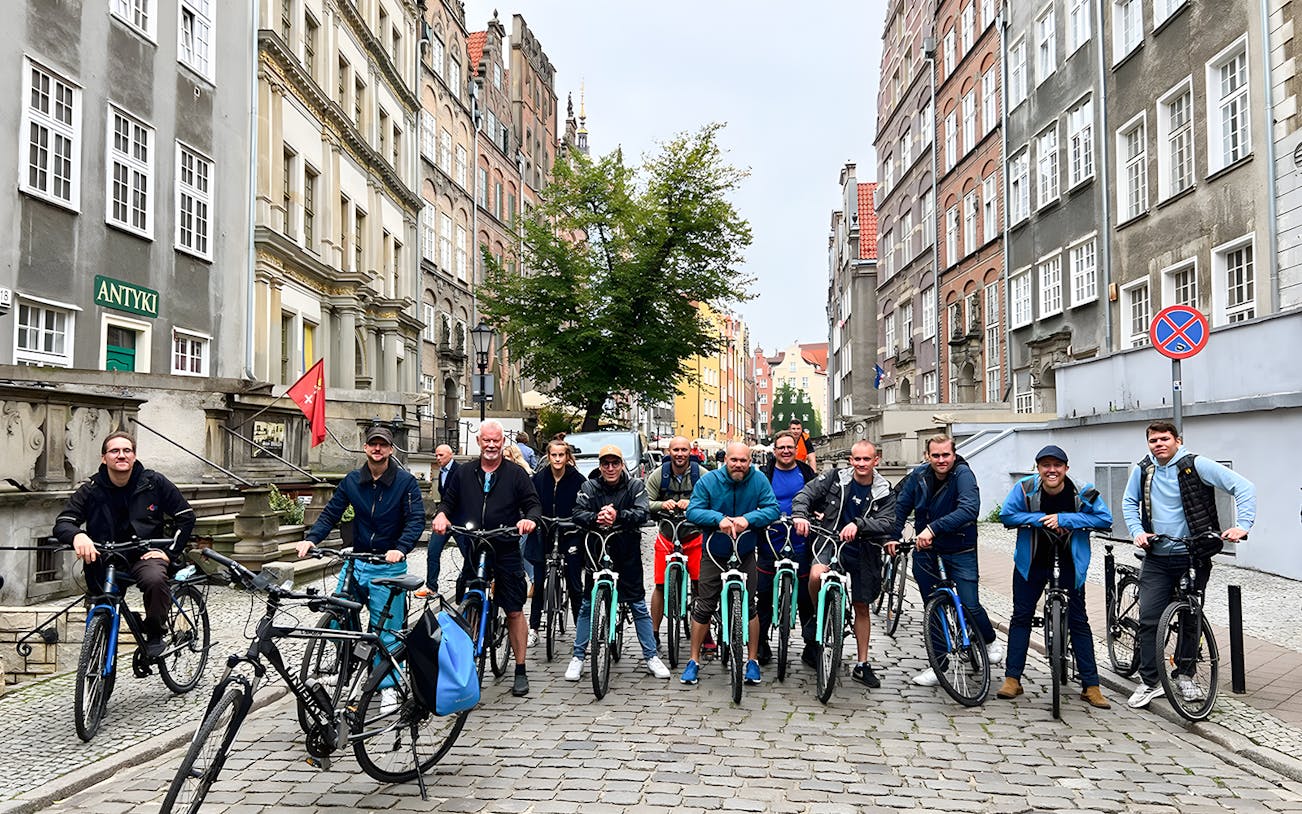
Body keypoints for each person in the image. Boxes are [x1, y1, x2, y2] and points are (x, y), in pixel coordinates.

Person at [1121, 421, 1255, 709]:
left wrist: (1242, 525)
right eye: (1153, 440)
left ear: (1177, 440)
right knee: (1149, 619)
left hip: (1193, 555)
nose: (1159, 444)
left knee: (1190, 618)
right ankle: (1149, 681)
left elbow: (1243, 487)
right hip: (1157, 554)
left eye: (1164, 439)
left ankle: (1185, 675)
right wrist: (1137, 532)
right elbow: (1129, 503)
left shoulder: (1195, 465)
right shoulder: (1144, 469)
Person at [297, 425, 425, 692]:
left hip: (388, 566)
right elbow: (332, 512)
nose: (377, 449)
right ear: (365, 448)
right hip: (356, 562)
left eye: (382, 445)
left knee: (386, 629)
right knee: (335, 614)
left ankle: (387, 685)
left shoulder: (405, 483)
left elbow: (415, 521)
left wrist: (400, 548)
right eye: (372, 444)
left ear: (390, 449)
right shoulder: (353, 480)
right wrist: (312, 539)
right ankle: (349, 663)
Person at [54, 431, 197, 658]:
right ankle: (100, 654)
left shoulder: (154, 483)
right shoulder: (91, 488)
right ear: (104, 458)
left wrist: (169, 552)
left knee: (154, 579)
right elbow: (63, 522)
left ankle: (154, 633)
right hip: (105, 557)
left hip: (145, 554)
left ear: (134, 455)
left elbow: (186, 516)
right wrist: (77, 536)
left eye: (126, 450)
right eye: (114, 451)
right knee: (102, 603)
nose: (121, 455)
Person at [997, 445, 1114, 709]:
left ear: (1066, 469)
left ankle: (1091, 685)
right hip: (1033, 561)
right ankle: (1012, 679)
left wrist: (1065, 518)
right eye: (1046, 466)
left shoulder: (1082, 490)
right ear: (1038, 469)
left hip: (1070, 561)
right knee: (1021, 616)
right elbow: (1006, 514)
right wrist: (1042, 519)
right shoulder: (1026, 489)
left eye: (1057, 466)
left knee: (1079, 620)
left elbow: (1105, 519)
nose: (1052, 470)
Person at [432, 419, 541, 697]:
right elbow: (449, 501)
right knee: (468, 598)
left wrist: (528, 520)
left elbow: (532, 504)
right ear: (479, 442)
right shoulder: (464, 472)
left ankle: (519, 668)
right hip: (474, 544)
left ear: (503, 442)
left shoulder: (516, 474)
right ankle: (466, 664)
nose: (491, 445)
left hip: (504, 544)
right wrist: (442, 515)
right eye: (486, 440)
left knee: (515, 608)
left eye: (496, 440)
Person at [890, 433, 1003, 686]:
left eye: (946, 455)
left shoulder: (963, 475)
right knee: (933, 607)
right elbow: (901, 507)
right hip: (927, 551)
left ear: (954, 454)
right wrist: (893, 536)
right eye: (936, 455)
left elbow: (969, 509)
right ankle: (938, 665)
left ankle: (989, 638)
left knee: (969, 603)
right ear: (927, 456)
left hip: (959, 548)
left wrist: (933, 529)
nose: (941, 460)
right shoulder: (918, 476)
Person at [792, 440, 895, 689]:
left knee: (861, 606)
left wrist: (860, 524)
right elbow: (806, 494)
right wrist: (800, 515)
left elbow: (887, 521)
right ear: (850, 460)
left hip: (864, 547)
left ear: (875, 461)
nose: (861, 464)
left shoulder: (883, 488)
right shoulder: (835, 477)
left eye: (866, 459)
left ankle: (862, 664)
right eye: (856, 459)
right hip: (829, 539)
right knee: (816, 575)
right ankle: (819, 616)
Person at [566, 445, 670, 680]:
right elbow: (577, 513)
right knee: (586, 605)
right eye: (606, 464)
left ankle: (651, 656)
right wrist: (595, 517)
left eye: (615, 463)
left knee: (638, 606)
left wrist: (618, 515)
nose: (610, 468)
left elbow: (643, 512)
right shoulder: (589, 486)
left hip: (627, 552)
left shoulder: (634, 486)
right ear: (600, 466)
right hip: (596, 551)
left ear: (622, 464)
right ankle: (578, 656)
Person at [681, 441, 781, 686]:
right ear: (725, 459)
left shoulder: (758, 481)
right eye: (734, 460)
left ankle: (752, 660)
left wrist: (749, 519)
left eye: (743, 461)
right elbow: (693, 511)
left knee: (749, 606)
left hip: (746, 551)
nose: (738, 465)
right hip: (714, 551)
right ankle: (693, 660)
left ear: (750, 461)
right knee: (704, 604)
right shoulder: (709, 481)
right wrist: (718, 519)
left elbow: (773, 509)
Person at [758, 430, 817, 667]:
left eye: (789, 447)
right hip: (770, 539)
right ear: (774, 451)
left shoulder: (806, 472)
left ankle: (810, 645)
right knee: (763, 596)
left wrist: (818, 512)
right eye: (781, 448)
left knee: (805, 596)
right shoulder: (765, 474)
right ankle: (761, 643)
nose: (785, 451)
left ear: (795, 450)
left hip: (801, 540)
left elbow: (819, 497)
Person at [524, 439, 586, 646]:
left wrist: (578, 520)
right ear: (548, 457)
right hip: (544, 531)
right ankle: (533, 628)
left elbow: (585, 504)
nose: (558, 459)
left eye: (561, 455)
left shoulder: (577, 479)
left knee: (575, 582)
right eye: (554, 455)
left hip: (570, 531)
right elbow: (529, 503)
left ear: (567, 457)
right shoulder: (539, 479)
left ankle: (580, 628)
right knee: (539, 582)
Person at [646, 436, 705, 647]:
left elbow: (713, 499)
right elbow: (646, 502)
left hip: (694, 536)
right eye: (675, 450)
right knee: (660, 585)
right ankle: (653, 634)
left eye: (684, 450)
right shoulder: (658, 475)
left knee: (700, 585)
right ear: (668, 452)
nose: (680, 454)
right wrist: (662, 505)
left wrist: (693, 503)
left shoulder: (701, 475)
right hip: (667, 537)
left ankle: (705, 633)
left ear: (691, 452)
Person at [425, 444, 459, 590]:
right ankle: (431, 587)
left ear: (450, 455)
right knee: (433, 551)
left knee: (468, 553)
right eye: (436, 455)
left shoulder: (459, 471)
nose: (438, 458)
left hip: (459, 519)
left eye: (441, 455)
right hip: (443, 518)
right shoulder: (441, 471)